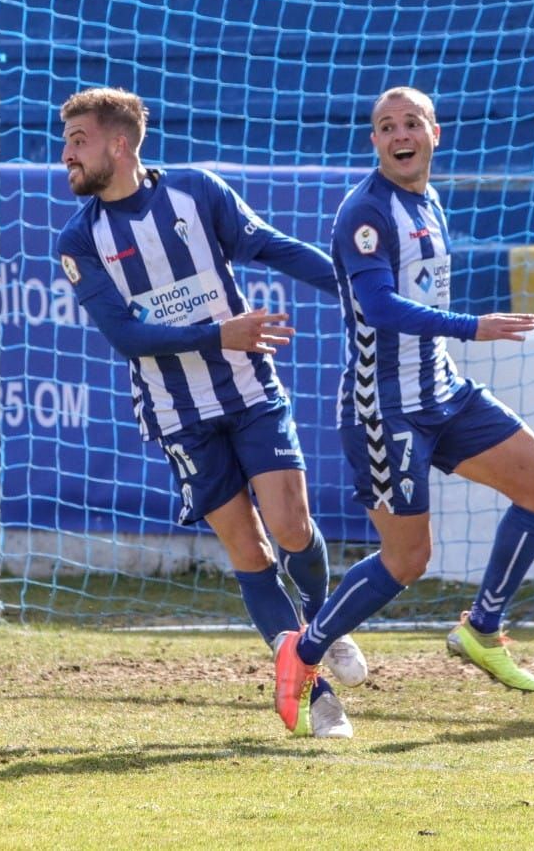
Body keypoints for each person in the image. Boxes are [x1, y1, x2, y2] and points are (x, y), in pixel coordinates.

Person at [54, 87, 368, 737]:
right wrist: (215, 334)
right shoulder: (80, 240)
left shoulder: (196, 193)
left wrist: (360, 290)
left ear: (121, 143)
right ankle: (318, 698)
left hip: (249, 388)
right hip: (178, 415)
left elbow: (274, 247)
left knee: (290, 524)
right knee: (248, 550)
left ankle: (324, 618)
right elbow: (128, 338)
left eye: (79, 141)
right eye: (67, 143)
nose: (68, 156)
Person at [268, 86, 534, 732]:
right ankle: (306, 651)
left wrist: (458, 342)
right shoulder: (366, 212)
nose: (398, 134)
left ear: (435, 133)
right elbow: (377, 308)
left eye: (410, 123)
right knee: (408, 560)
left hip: (444, 391)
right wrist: (472, 326)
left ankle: (482, 629)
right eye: (384, 126)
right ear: (374, 142)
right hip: (385, 408)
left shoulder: (426, 199)